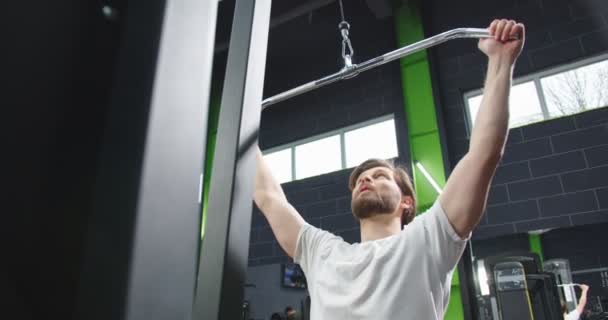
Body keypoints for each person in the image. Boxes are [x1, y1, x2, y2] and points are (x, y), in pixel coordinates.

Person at [253, 19, 525, 319]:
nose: (366, 178)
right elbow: (269, 197)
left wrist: (501, 61)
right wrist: (241, 130)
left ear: (407, 202)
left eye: (380, 176)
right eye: (359, 180)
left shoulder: (427, 239)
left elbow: (483, 155)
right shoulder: (323, 252)